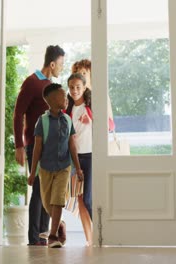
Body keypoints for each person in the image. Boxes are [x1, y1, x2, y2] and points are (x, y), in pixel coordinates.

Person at [13, 45, 65, 246]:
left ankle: (44, 235)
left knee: (48, 191)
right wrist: (19, 145)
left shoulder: (51, 87)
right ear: (51, 64)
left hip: (51, 147)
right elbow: (18, 114)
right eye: (60, 64)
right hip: (34, 145)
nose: (61, 68)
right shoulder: (32, 83)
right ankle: (34, 239)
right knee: (38, 191)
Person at [28, 83, 83, 248]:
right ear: (51, 100)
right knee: (47, 203)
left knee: (58, 199)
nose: (66, 99)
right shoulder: (42, 121)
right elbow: (37, 148)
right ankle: (60, 224)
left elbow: (72, 145)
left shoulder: (67, 119)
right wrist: (32, 173)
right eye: (63, 96)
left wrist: (78, 168)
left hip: (63, 166)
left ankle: (53, 236)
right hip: (45, 167)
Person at [65, 73, 93, 246]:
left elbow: (110, 125)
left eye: (78, 87)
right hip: (73, 158)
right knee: (80, 199)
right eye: (71, 87)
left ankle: (104, 234)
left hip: (90, 156)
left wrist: (91, 119)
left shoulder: (90, 106)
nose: (74, 90)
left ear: (84, 88)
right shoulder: (67, 109)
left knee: (89, 199)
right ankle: (90, 240)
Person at [71, 59, 115, 131]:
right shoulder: (74, 97)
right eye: (78, 74)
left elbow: (111, 125)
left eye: (84, 73)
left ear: (91, 75)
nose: (81, 76)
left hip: (96, 139)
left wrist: (91, 119)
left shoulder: (101, 95)